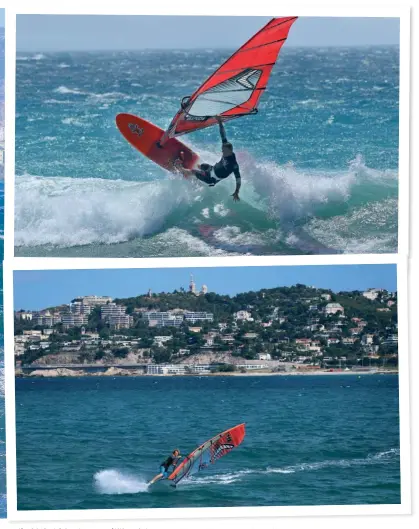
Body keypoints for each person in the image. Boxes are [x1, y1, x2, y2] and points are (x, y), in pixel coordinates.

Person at [174, 116, 241, 202]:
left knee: (193, 171)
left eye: (223, 151)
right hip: (211, 169)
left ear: (229, 151)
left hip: (212, 179)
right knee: (202, 165)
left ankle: (180, 169)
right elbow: (223, 135)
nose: (222, 151)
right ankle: (197, 176)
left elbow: (238, 179)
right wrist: (220, 122)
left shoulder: (234, 165)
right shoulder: (226, 147)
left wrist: (236, 192)